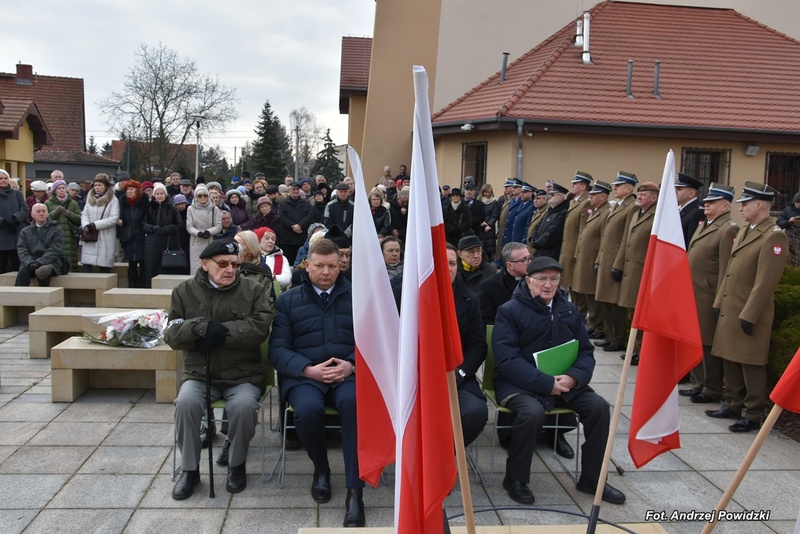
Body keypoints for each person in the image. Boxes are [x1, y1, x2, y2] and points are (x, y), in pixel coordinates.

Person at [492, 256, 625, 506]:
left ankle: (592, 479)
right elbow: (506, 360)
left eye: (553, 279)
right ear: (528, 281)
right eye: (541, 279)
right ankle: (515, 479)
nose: (548, 284)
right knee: (531, 413)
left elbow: (585, 351)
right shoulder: (509, 310)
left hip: (565, 382)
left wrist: (574, 378)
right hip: (521, 383)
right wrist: (545, 382)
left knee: (599, 408)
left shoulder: (568, 309)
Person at [165, 239, 273, 499]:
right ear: (204, 264)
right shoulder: (184, 291)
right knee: (186, 403)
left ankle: (236, 465)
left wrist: (221, 333)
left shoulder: (254, 289)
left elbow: (259, 328)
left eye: (235, 264)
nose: (230, 269)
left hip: (242, 373)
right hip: (201, 373)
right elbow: (172, 334)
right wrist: (200, 328)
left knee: (245, 406)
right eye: (223, 264)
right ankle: (190, 470)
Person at [269, 238, 365, 528]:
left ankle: (355, 491)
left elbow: (373, 341)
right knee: (307, 411)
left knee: (354, 404)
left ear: (341, 266)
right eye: (320, 265)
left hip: (347, 373)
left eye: (332, 266)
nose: (326, 271)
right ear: (307, 265)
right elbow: (278, 349)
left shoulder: (359, 296)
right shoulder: (288, 300)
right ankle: (321, 469)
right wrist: (307, 370)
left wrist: (352, 364)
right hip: (305, 377)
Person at [706, 181, 788, 433]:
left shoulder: (773, 235)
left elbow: (765, 282)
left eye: (745, 204)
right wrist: (719, 301)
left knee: (750, 362)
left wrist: (750, 314)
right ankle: (733, 403)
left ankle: (752, 413)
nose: (740, 208)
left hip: (750, 310)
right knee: (730, 357)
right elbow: (729, 271)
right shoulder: (744, 231)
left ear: (760, 204)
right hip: (732, 305)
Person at [679, 184, 738, 404]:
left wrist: (719, 299)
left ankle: (711, 388)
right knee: (695, 340)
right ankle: (699, 383)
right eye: (706, 202)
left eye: (711, 202)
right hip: (694, 292)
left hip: (708, 295)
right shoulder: (705, 224)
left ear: (725, 205)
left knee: (707, 343)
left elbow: (725, 269)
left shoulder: (727, 229)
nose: (706, 205)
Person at [445, 244, 488, 447]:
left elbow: (478, 345)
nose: (448, 268)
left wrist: (460, 374)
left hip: (457, 373)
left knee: (475, 412)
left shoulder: (469, 300)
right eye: (441, 263)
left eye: (452, 263)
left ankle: (444, 454)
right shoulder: (408, 297)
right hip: (418, 377)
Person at [615, 181, 659, 363]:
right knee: (633, 311)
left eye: (643, 195)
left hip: (644, 272)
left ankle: (641, 351)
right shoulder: (636, 214)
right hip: (631, 270)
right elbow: (626, 241)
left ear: (654, 198)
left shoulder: (657, 216)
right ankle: (634, 347)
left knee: (642, 313)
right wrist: (618, 264)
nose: (638, 197)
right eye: (639, 194)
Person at [594, 172, 638, 353]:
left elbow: (625, 239)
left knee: (615, 303)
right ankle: (610, 336)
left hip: (615, 260)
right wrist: (598, 259)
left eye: (618, 186)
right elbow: (606, 236)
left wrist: (618, 264)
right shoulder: (616, 206)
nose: (614, 188)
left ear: (629, 188)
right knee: (604, 300)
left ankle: (618, 338)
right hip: (605, 258)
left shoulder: (631, 207)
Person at [571, 181, 612, 340]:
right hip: (585, 256)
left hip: (593, 257)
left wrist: (598, 259)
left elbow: (603, 238)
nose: (591, 197)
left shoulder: (606, 211)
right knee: (585, 292)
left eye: (594, 195)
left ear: (603, 196)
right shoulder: (595, 211)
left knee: (591, 293)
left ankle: (597, 325)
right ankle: (595, 324)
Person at [559, 172, 593, 316]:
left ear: (583, 186)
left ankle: (580, 314)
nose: (571, 186)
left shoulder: (587, 202)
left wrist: (578, 251)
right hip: (568, 249)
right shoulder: (576, 201)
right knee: (571, 285)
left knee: (578, 286)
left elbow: (582, 230)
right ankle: (574, 312)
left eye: (575, 184)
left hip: (575, 250)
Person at [16, 203, 66, 287]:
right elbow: (22, 249)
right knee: (23, 271)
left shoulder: (56, 229)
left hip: (51, 262)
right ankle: (18, 296)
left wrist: (40, 262)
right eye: (38, 211)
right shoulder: (25, 231)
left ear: (47, 213)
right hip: (31, 262)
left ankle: (43, 298)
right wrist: (29, 263)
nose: (41, 213)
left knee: (43, 271)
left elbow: (56, 249)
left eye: (43, 211)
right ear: (32, 214)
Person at [142, 183, 182, 288]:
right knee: (151, 266)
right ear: (154, 195)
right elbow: (142, 223)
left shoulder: (172, 208)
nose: (160, 196)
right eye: (157, 193)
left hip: (167, 240)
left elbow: (179, 224)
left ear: (165, 194)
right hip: (151, 241)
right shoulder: (148, 207)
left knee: (165, 266)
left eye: (162, 193)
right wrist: (152, 228)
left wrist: (166, 229)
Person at [80, 173, 120, 273]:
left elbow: (113, 218)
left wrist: (95, 225)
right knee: (87, 263)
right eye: (95, 185)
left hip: (106, 235)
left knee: (104, 264)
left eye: (100, 185)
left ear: (105, 186)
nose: (97, 188)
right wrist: (86, 225)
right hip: (90, 234)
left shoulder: (113, 200)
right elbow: (84, 214)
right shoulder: (89, 199)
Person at [118, 180, 150, 288]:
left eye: (132, 189)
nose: (129, 191)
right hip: (129, 236)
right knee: (131, 263)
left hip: (141, 235)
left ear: (137, 191)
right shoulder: (123, 203)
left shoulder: (144, 203)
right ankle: (132, 285)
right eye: (127, 190)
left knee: (143, 263)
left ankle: (144, 285)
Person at [186, 185, 222, 273]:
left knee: (210, 265)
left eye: (205, 195)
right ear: (195, 197)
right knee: (196, 266)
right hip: (196, 241)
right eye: (199, 195)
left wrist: (209, 232)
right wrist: (198, 233)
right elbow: (189, 226)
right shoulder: (190, 209)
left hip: (209, 239)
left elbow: (218, 225)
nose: (202, 197)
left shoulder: (214, 208)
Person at [530, 181, 569, 259]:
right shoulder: (550, 210)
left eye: (552, 195)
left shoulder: (563, 212)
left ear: (560, 197)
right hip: (540, 251)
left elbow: (553, 232)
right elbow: (538, 226)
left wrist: (538, 242)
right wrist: (533, 239)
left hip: (550, 253)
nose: (549, 197)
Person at [0, 169, 29, 274]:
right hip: (2, 233)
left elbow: (24, 208)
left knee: (17, 263)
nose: (3, 180)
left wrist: (16, 219)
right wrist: (3, 222)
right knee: (2, 264)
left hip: (16, 231)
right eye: (1, 178)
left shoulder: (17, 193)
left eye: (5, 178)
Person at [278, 182, 313, 265]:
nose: (295, 191)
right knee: (288, 263)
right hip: (287, 240)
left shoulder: (306, 203)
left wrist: (300, 225)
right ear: (289, 190)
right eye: (293, 189)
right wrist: (293, 226)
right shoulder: (283, 203)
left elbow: (310, 215)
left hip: (302, 239)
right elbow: (281, 217)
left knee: (302, 264)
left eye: (297, 189)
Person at [255, 227, 291, 291]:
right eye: (267, 238)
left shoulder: (282, 258)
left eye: (273, 239)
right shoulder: (253, 256)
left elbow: (287, 279)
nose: (270, 241)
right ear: (258, 240)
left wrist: (270, 277)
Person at [676, 173, 706, 248]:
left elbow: (692, 243)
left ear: (691, 194)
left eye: (679, 189)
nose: (675, 191)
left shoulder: (698, 213)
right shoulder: (677, 209)